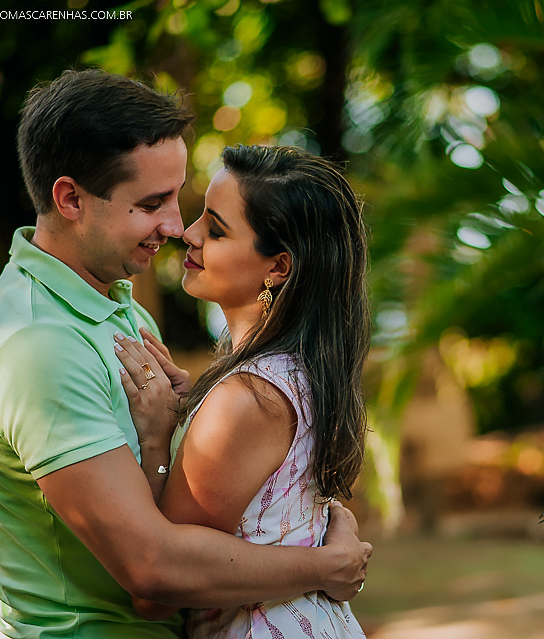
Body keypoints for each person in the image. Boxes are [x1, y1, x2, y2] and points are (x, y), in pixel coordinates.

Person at [0, 69, 370, 639]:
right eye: (153, 203)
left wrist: (174, 423)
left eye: (180, 198)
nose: (177, 227)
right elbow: (152, 568)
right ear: (71, 198)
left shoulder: (123, 309)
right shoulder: (38, 346)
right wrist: (326, 566)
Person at [112, 144, 369, 638]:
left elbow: (156, 590)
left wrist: (156, 441)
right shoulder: (296, 374)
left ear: (278, 267)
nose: (188, 233)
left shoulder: (249, 399)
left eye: (216, 228)